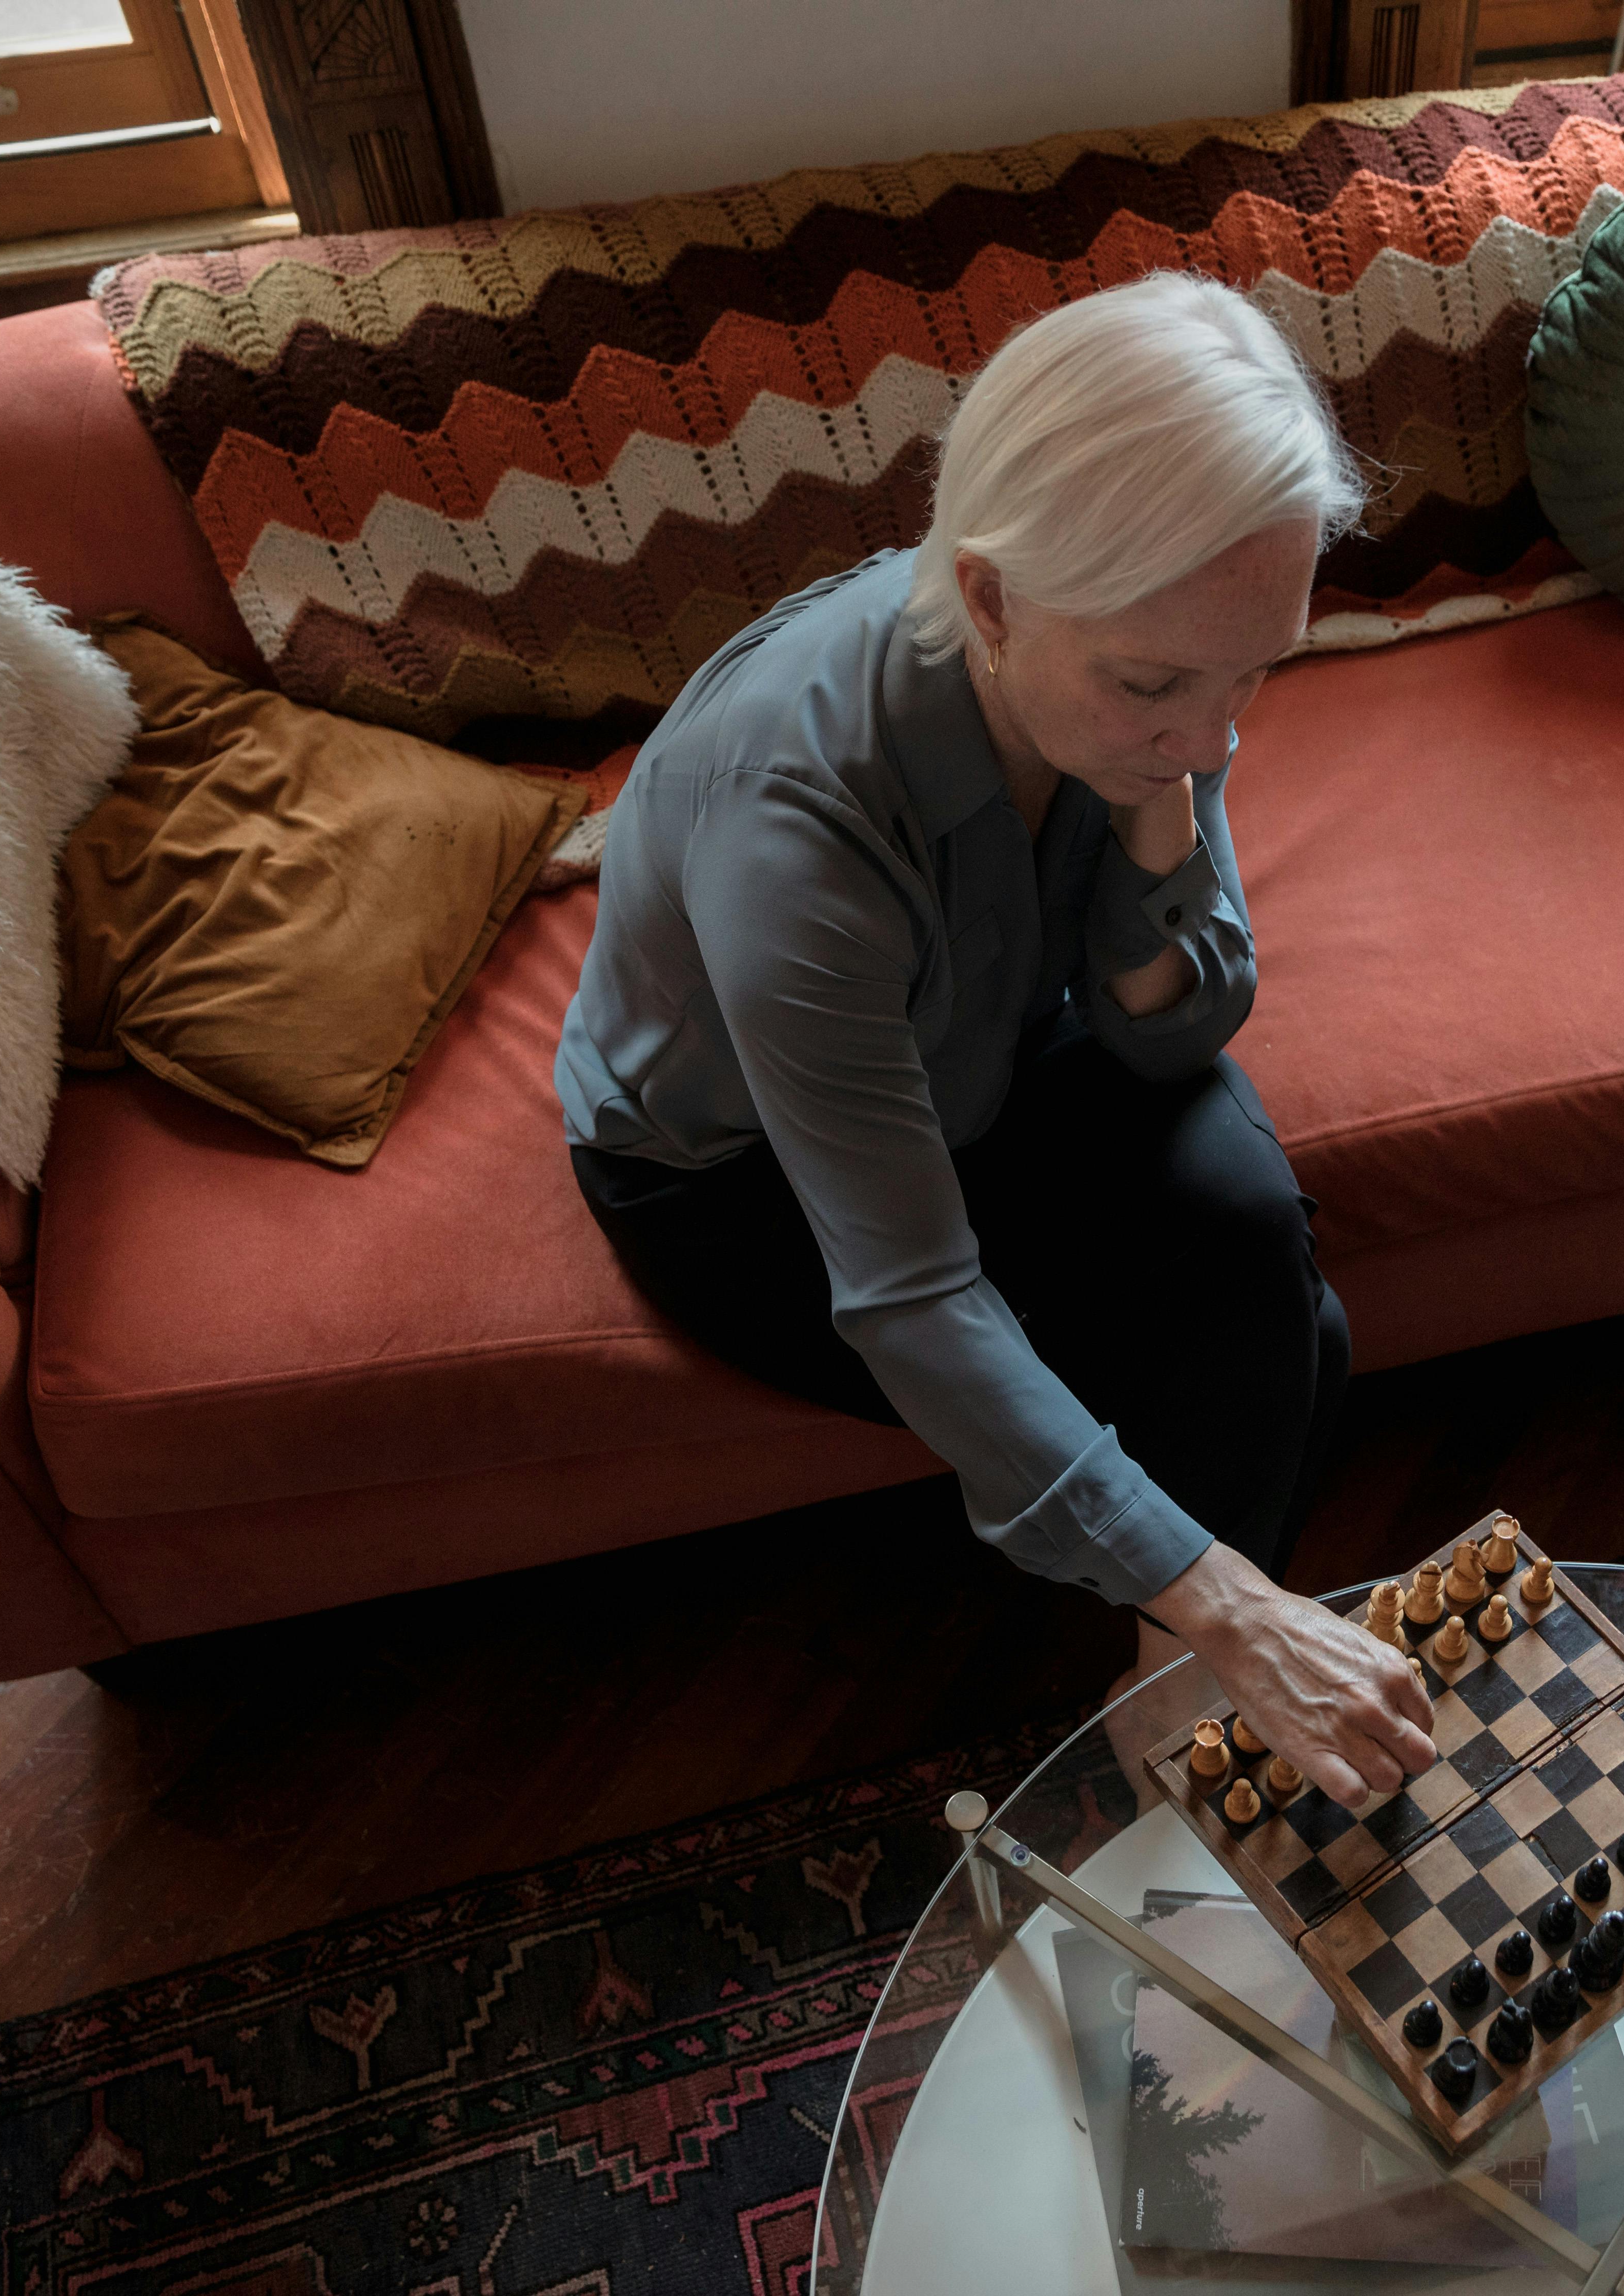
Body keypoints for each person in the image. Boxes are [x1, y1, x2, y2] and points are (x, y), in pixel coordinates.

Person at [557, 273, 1439, 1808]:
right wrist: (1231, 1601)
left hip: (1000, 1041)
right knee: (1272, 1346)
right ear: (987, 598)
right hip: (740, 1172)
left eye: (1252, 677)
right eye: (1160, 687)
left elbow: (1177, 1038)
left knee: (1263, 1277)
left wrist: (1159, 824)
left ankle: (1165, 1677)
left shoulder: (1154, 682)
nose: (1215, 736)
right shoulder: (798, 827)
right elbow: (907, 1292)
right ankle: (1192, 1659)